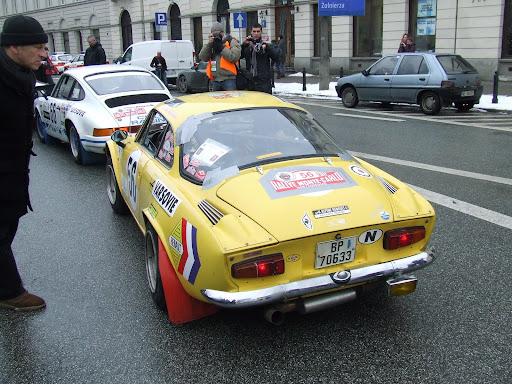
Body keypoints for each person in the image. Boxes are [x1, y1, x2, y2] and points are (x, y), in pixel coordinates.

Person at [0, 14, 48, 311]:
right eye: (38, 47)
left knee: (10, 222)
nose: (44, 54)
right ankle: (9, 292)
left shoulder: (20, 74)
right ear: (14, 47)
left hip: (14, 170)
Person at [198, 21, 241, 91]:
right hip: (215, 80)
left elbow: (234, 57)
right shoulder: (212, 44)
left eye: (218, 34)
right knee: (216, 102)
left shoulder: (231, 42)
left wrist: (221, 48)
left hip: (229, 79)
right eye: (214, 34)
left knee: (230, 100)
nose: (216, 36)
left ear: (222, 33)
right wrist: (209, 44)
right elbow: (202, 57)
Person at [240, 23, 279, 94]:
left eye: (258, 31)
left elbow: (276, 56)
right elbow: (239, 56)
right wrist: (244, 45)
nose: (256, 34)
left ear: (261, 32)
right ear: (251, 32)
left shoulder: (265, 46)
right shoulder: (248, 47)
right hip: (250, 80)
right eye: (254, 31)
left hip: (263, 81)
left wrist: (266, 47)